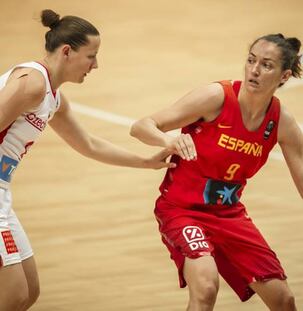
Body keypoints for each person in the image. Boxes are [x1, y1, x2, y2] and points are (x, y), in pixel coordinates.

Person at [130, 33, 303, 311]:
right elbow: (141, 126)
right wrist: (169, 140)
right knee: (206, 286)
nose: (254, 70)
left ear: (283, 77)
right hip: (181, 210)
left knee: (284, 300)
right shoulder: (216, 97)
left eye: (266, 65)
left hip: (229, 215)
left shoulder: (282, 122)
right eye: (250, 60)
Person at [0, 9, 175, 311]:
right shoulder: (32, 83)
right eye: (91, 56)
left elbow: (90, 145)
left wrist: (146, 162)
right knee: (13, 294)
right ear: (67, 51)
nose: (96, 65)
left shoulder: (53, 98)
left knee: (28, 292)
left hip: (3, 193)